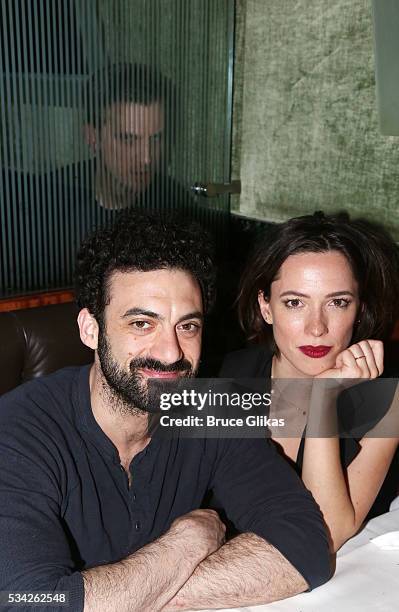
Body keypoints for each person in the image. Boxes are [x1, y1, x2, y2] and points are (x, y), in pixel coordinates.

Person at [0, 213, 331, 611]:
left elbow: (307, 545)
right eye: (142, 323)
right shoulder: (17, 433)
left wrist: (138, 595)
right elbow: (24, 601)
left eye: (187, 326)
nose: (172, 352)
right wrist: (184, 545)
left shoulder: (209, 409)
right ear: (91, 329)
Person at [220, 211, 399, 552]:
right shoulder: (225, 378)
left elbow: (324, 534)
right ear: (266, 307)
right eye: (295, 302)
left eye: (337, 302)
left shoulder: (386, 399)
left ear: (359, 310)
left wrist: (324, 399)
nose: (317, 327)